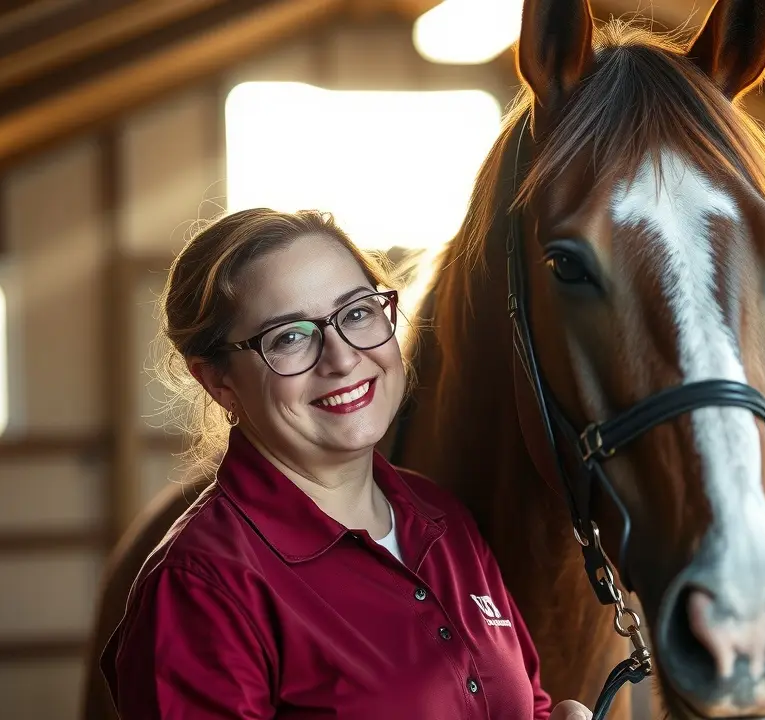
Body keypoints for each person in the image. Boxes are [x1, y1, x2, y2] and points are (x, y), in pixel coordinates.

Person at [100, 208, 592, 720]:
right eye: (289, 337)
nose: (341, 358)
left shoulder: (444, 520)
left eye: (357, 313)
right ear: (217, 382)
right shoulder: (202, 586)